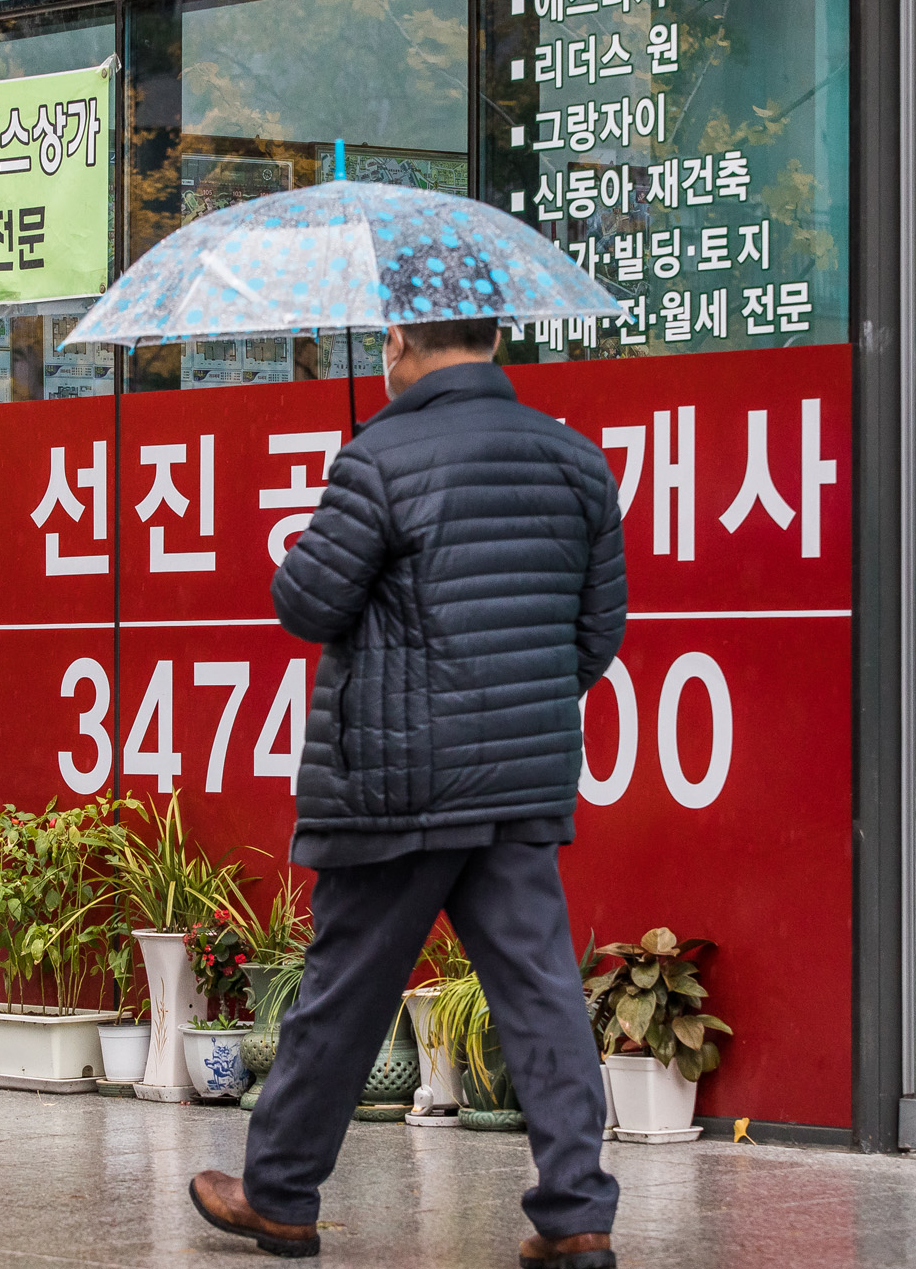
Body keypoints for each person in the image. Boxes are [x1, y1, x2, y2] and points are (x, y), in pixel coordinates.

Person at [189, 316, 628, 1268]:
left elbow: (306, 603)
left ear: (399, 341)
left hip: (398, 783)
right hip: (517, 778)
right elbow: (596, 636)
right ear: (493, 337)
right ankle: (579, 1215)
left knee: (343, 991)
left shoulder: (377, 458)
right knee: (541, 989)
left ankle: (280, 1197)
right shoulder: (577, 463)